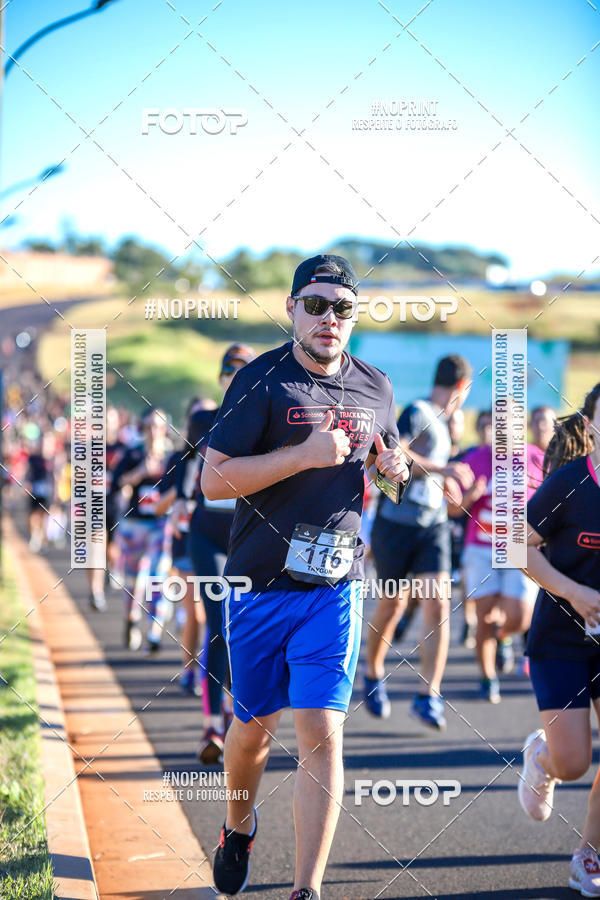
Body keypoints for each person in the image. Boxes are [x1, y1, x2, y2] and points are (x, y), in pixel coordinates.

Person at [201, 254, 410, 900]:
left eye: (341, 308)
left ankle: (306, 889)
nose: (328, 319)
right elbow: (212, 480)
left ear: (354, 317)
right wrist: (302, 456)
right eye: (315, 305)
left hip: (333, 589)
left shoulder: (376, 387)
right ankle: (239, 826)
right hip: (260, 586)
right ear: (291, 308)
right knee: (251, 732)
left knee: (321, 729)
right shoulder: (260, 381)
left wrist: (393, 471)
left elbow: (386, 475)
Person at [517, 383, 600, 897]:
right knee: (574, 763)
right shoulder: (569, 484)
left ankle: (588, 853)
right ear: (590, 427)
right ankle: (541, 757)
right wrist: (574, 592)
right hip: (562, 637)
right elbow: (516, 546)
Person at [364, 355, 474, 729]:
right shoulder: (419, 411)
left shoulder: (447, 422)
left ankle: (429, 695)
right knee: (392, 604)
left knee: (438, 604)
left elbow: (434, 473)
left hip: (433, 526)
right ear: (461, 387)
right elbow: (397, 452)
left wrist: (453, 484)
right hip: (396, 524)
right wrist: (444, 469)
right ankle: (373, 672)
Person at [171, 349, 255, 761]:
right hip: (205, 536)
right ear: (222, 379)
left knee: (246, 627)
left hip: (248, 537)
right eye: (230, 372)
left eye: (244, 372)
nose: (236, 379)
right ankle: (212, 727)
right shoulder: (204, 420)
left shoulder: (265, 419)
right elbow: (186, 464)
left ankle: (233, 710)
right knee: (219, 621)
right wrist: (182, 500)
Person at [457, 410, 533, 702]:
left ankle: (504, 637)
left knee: (520, 616)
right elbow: (453, 509)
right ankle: (488, 678)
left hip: (519, 548)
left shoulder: (535, 458)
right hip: (480, 547)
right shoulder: (475, 459)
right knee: (485, 617)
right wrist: (470, 497)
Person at [111, 407, 170, 651]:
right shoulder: (132, 453)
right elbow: (115, 483)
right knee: (135, 580)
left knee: (159, 577)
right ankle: (131, 619)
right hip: (135, 525)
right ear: (142, 428)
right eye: (149, 426)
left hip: (161, 524)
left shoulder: (172, 456)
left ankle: (155, 631)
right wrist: (138, 474)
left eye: (159, 426)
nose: (154, 431)